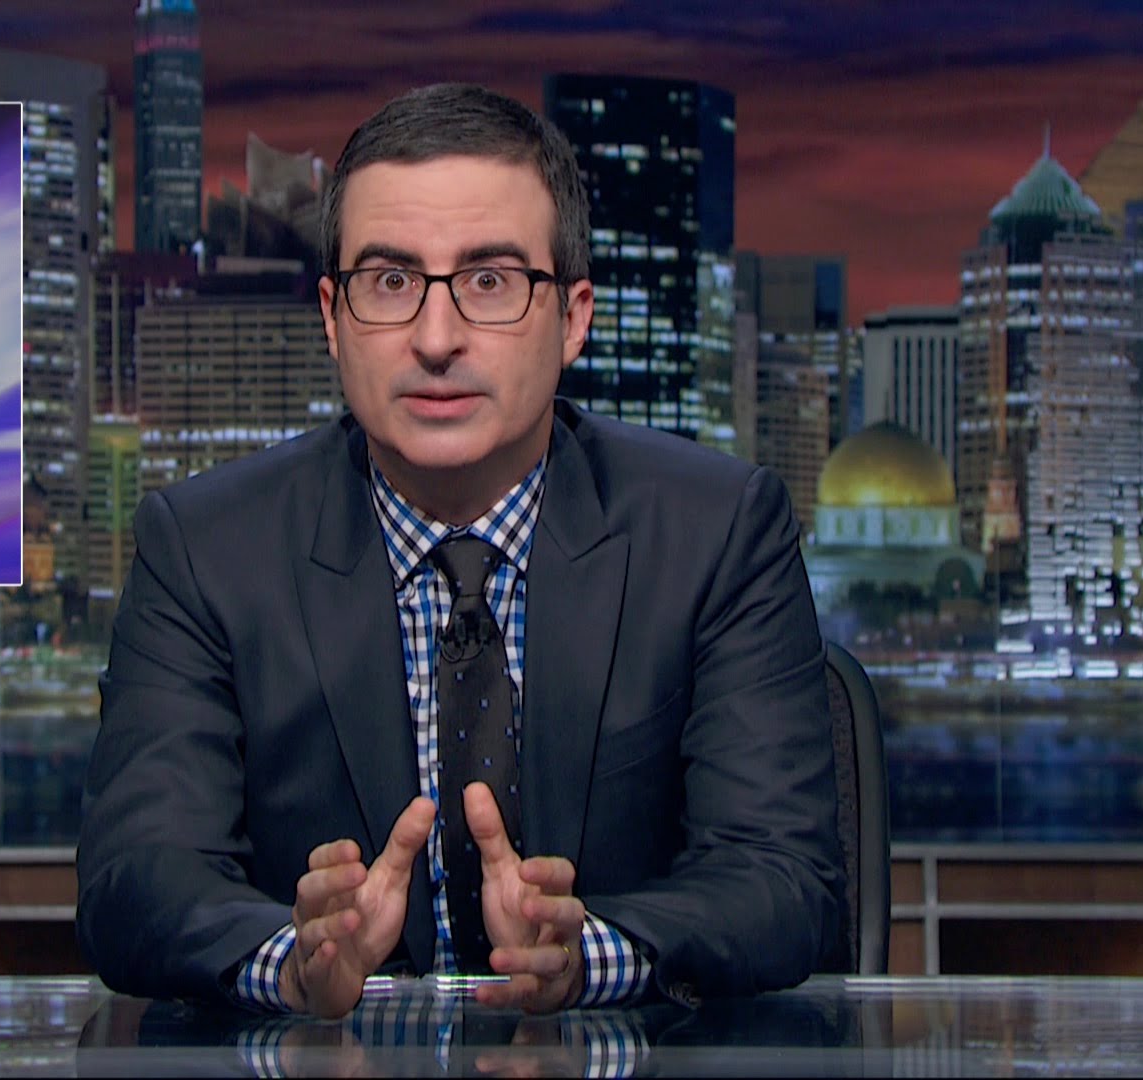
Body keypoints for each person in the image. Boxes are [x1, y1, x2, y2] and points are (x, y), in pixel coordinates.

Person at [76, 82, 843, 1019]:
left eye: (490, 282)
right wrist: (293, 961)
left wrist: (588, 956)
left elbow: (783, 881)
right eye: (391, 283)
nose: (436, 339)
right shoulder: (203, 550)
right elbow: (134, 882)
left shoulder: (717, 533)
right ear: (332, 317)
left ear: (574, 318)